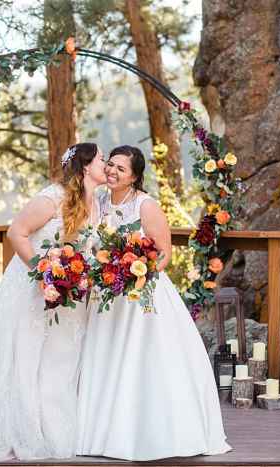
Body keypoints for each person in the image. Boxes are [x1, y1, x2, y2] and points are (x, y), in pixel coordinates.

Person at [0, 143, 106, 460]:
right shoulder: (52, 197)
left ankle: (55, 430)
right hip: (33, 287)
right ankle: (19, 428)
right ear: (86, 166)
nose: (107, 163)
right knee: (28, 355)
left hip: (71, 292)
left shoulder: (96, 202)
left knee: (61, 360)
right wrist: (42, 270)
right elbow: (16, 232)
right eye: (102, 159)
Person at [76, 145, 232, 461]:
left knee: (142, 359)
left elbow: (164, 253)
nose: (112, 171)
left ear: (134, 176)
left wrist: (138, 275)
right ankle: (101, 431)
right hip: (108, 293)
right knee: (105, 357)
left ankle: (147, 432)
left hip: (141, 295)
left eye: (120, 169)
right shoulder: (99, 199)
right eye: (110, 165)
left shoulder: (145, 205)